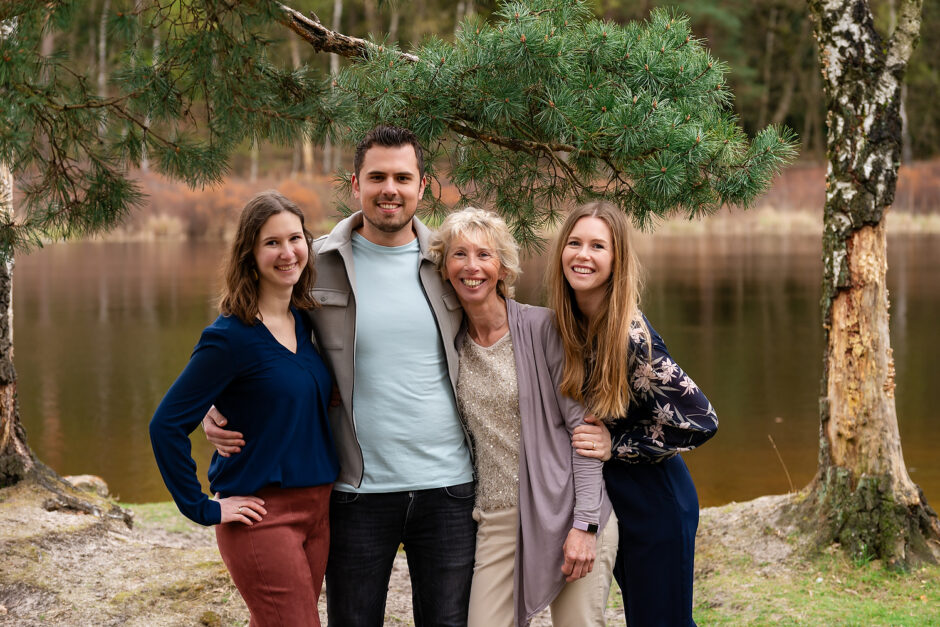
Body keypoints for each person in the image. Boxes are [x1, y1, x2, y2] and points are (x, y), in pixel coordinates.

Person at [203, 125, 477, 626]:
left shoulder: (452, 262)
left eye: (402, 177)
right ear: (356, 184)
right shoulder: (313, 261)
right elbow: (251, 329)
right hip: (355, 490)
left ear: (423, 185)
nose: (388, 189)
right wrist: (214, 402)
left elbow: (504, 332)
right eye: (376, 177)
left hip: (450, 488)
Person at [149, 191, 338, 626]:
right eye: (272, 242)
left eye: (295, 238)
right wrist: (204, 508)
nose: (287, 252)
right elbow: (166, 425)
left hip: (318, 511)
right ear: (249, 254)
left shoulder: (306, 322)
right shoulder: (229, 337)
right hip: (261, 517)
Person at [429, 208, 617, 627]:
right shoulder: (449, 344)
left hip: (566, 511)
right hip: (496, 521)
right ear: (444, 267)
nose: (471, 266)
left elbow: (584, 432)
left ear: (502, 268)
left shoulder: (543, 328)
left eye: (484, 255)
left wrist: (585, 525)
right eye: (459, 254)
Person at [549, 202, 719, 626]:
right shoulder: (572, 325)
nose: (582, 255)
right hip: (618, 502)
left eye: (597, 246)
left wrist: (618, 444)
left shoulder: (629, 337)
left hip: (658, 501)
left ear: (616, 259)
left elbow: (701, 420)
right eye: (574, 243)